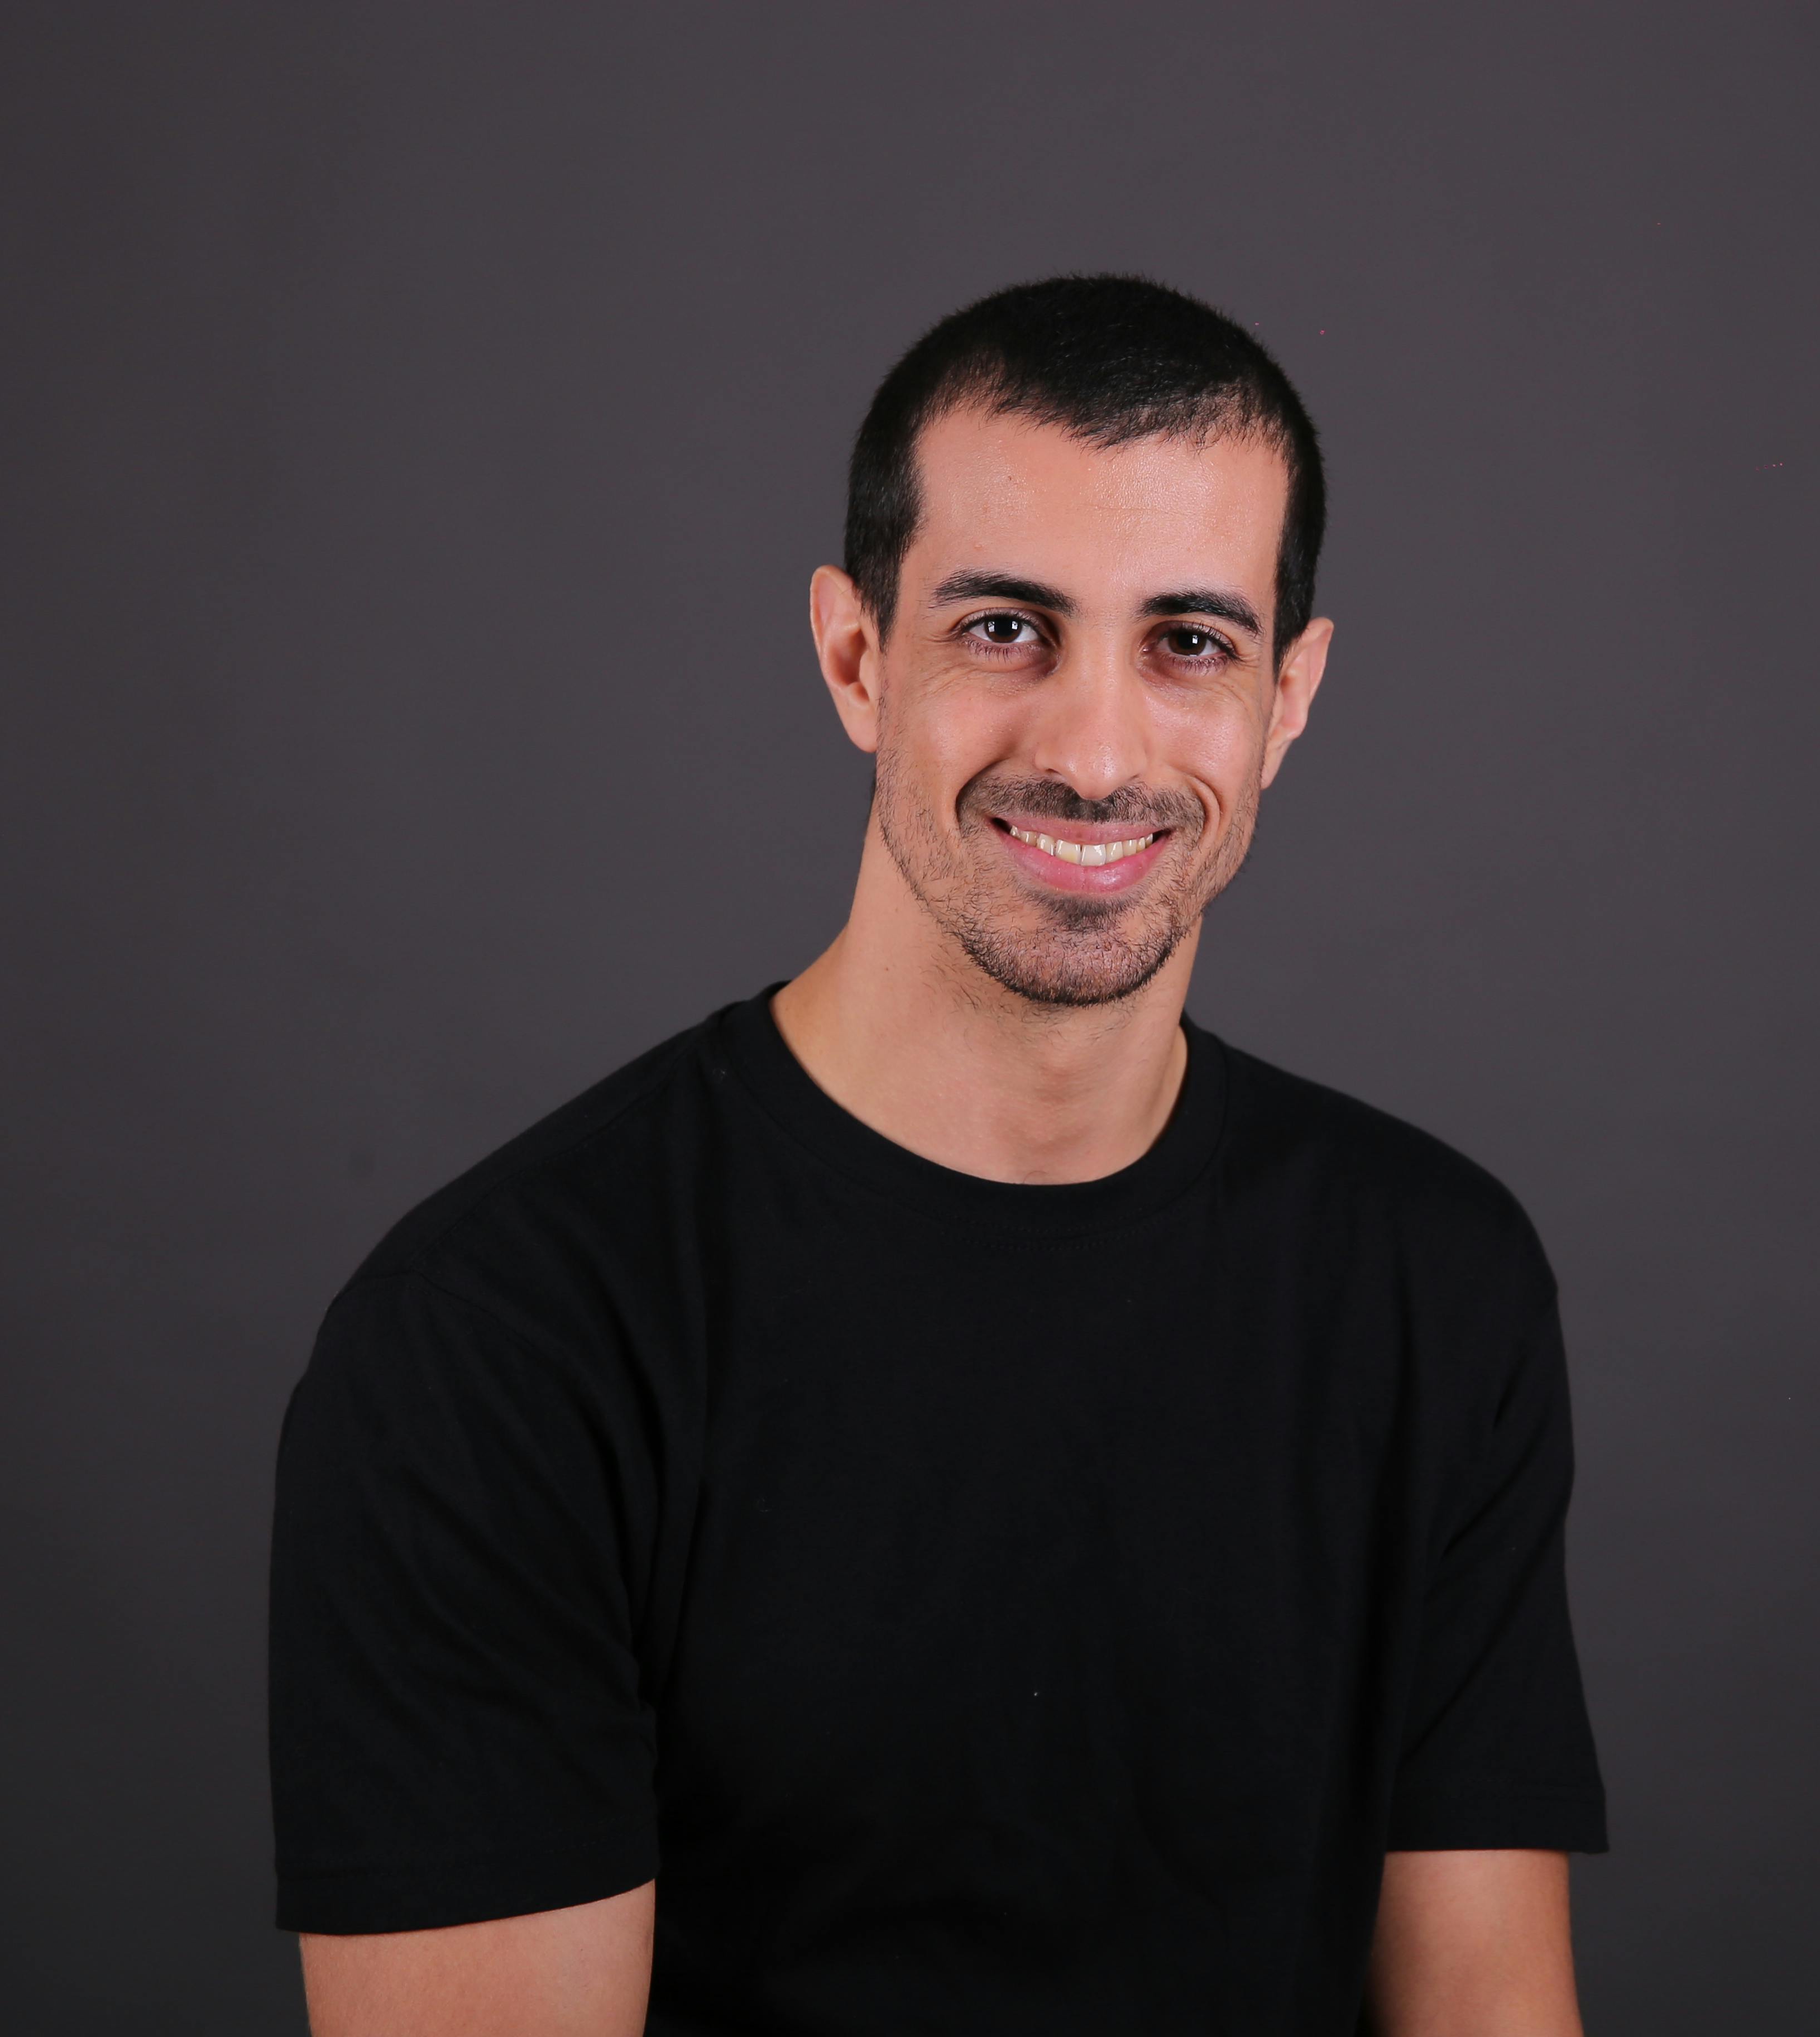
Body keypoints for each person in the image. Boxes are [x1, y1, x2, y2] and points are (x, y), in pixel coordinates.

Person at [270, 274, 1606, 2036]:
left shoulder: (1436, 1280)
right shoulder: (500, 1342)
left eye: (1189, 644)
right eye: (1005, 629)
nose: (1095, 749)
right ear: (853, 657)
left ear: (1290, 696)